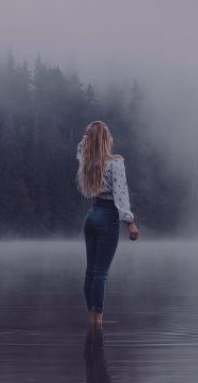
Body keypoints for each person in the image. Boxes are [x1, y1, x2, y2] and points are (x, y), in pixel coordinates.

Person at [76, 120, 139, 325]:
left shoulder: (87, 161)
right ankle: (98, 321)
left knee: (90, 271)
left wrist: (87, 136)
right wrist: (130, 222)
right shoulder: (115, 163)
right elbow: (121, 195)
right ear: (106, 139)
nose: (112, 137)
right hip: (108, 216)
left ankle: (91, 318)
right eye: (109, 134)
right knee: (101, 273)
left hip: (91, 215)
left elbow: (80, 148)